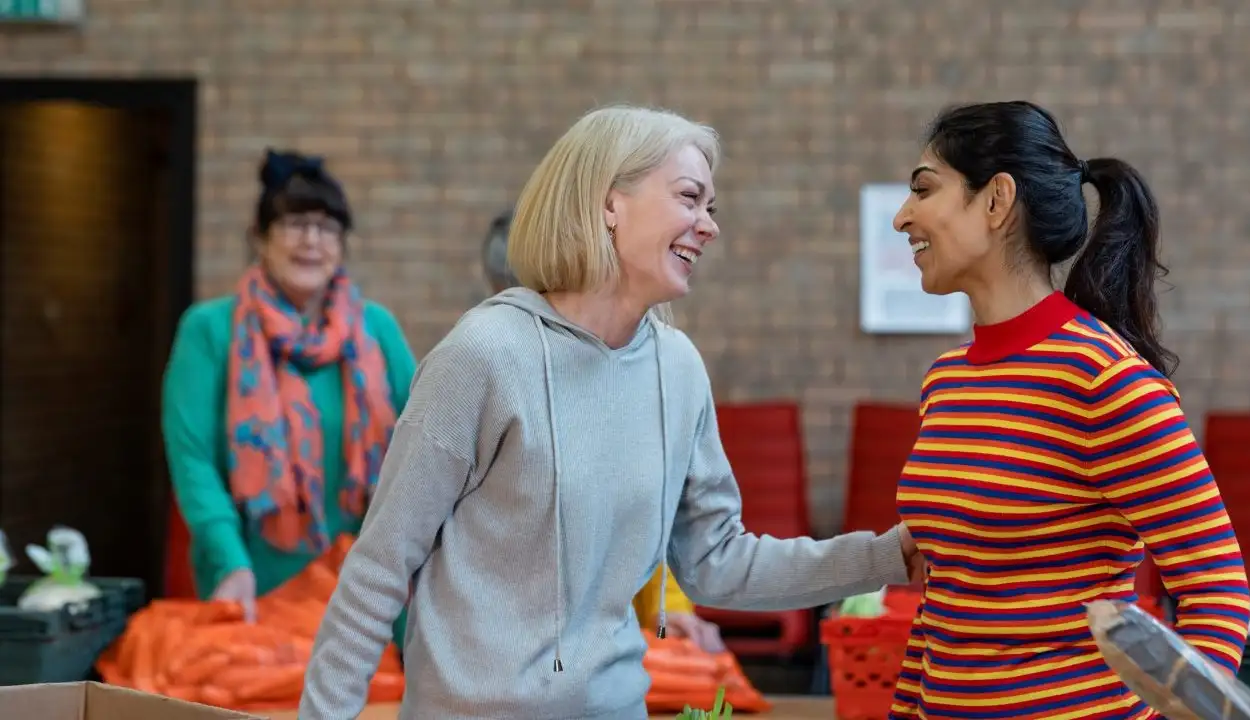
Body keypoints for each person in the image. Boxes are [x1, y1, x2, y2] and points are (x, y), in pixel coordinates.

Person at [300, 105, 920, 719]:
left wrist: (889, 554)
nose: (708, 225)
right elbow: (379, 568)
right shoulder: (483, 355)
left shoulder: (678, 370)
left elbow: (717, 561)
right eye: (689, 197)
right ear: (608, 204)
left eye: (711, 207)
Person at [888, 101, 1250, 719]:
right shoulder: (946, 381)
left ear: (997, 200)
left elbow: (1217, 593)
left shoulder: (1103, 380)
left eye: (924, 189)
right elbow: (945, 600)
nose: (903, 218)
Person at [161, 149, 418, 643]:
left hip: (367, 591)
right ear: (260, 237)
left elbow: (423, 445)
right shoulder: (210, 330)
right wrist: (228, 562)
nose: (311, 241)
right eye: (294, 223)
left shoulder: (376, 329)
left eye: (327, 227)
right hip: (253, 584)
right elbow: (192, 459)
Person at [482, 208, 725, 653]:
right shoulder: (485, 371)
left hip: (609, 648)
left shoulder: (642, 372)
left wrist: (672, 611)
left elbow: (651, 513)